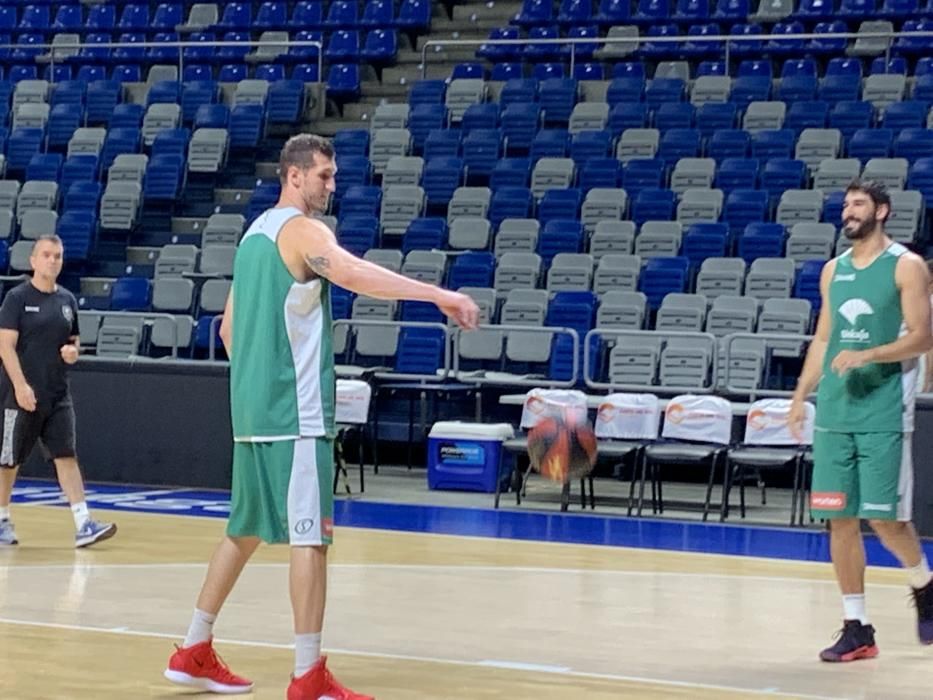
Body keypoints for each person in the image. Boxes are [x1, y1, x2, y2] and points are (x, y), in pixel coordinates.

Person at [164, 134, 480, 699]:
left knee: (243, 531)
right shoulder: (305, 232)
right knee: (311, 540)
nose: (332, 186)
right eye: (325, 176)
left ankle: (192, 647)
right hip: (296, 413)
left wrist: (259, 383)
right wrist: (439, 295)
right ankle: (308, 674)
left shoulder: (253, 236)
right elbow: (356, 275)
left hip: (252, 414)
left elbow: (229, 330)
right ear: (295, 176)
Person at [789, 179, 933, 663]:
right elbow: (824, 338)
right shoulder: (834, 270)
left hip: (884, 409)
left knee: (886, 520)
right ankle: (857, 628)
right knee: (839, 519)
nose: (847, 212)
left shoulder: (907, 267)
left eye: (858, 204)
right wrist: (800, 393)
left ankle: (925, 584)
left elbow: (922, 338)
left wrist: (869, 353)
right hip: (835, 412)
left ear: (883, 211)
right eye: (845, 205)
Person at [0, 234, 117, 548]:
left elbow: (73, 341)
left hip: (57, 394)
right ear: (34, 261)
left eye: (58, 256)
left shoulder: (67, 300)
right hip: (22, 395)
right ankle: (1, 518)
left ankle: (83, 523)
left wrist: (73, 352)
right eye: (47, 255)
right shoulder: (17, 298)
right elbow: (5, 346)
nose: (53, 261)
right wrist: (20, 385)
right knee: (10, 461)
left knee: (66, 455)